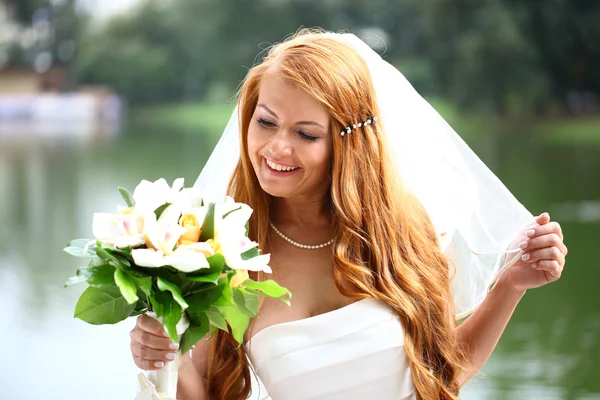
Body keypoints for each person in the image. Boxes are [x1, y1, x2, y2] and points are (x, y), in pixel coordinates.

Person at [128, 29, 568, 400]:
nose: (277, 147)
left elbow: (441, 376)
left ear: (347, 144)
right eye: (265, 122)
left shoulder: (400, 231)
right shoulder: (223, 253)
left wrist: (510, 286)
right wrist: (166, 358)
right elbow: (201, 392)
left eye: (305, 133)